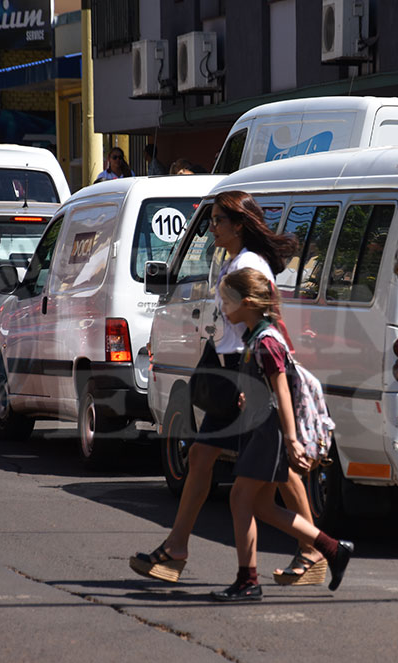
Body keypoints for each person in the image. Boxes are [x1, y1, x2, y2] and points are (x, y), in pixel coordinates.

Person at [129, 190, 330, 587]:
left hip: (244, 378)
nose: (212, 227)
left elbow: (264, 322)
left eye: (218, 220)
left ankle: (309, 551)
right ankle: (177, 548)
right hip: (236, 374)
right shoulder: (237, 260)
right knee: (206, 456)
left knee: (272, 470)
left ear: (239, 225)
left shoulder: (250, 264)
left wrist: (250, 380)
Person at [209, 266, 353, 602]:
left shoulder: (267, 341)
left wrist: (290, 438)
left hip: (270, 431)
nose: (223, 308)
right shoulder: (256, 337)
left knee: (240, 498)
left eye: (226, 301)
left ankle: (248, 581)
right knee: (260, 504)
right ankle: (332, 548)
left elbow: (283, 391)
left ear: (246, 302)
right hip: (262, 427)